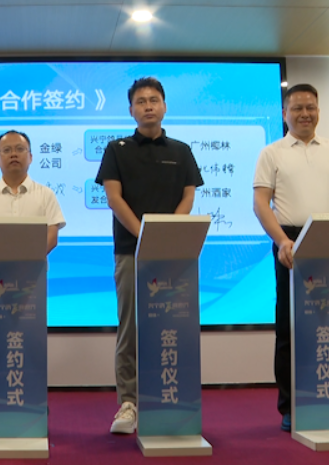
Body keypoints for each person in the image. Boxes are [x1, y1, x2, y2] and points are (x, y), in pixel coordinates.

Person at [95, 77, 204, 434]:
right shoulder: (117, 149)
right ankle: (128, 403)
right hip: (130, 252)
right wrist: (145, 236)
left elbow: (188, 196)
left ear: (164, 106)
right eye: (141, 101)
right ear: (131, 110)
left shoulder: (181, 151)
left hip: (172, 254)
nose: (148, 106)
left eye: (154, 100)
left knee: (171, 326)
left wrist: (166, 235)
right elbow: (114, 198)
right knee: (130, 328)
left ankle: (167, 397)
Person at [253, 84, 329, 432]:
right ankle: (290, 406)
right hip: (290, 242)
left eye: (310, 107)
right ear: (284, 113)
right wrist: (282, 240)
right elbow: (261, 203)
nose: (305, 114)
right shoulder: (271, 153)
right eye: (297, 108)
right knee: (290, 327)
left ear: (318, 111)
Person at [0, 130, 65, 437]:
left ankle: (34, 406)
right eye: (6, 150)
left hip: (32, 282)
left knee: (30, 345)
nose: (13, 154)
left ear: (30, 156)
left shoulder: (45, 195)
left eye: (20, 149)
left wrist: (23, 267)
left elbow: (51, 236)